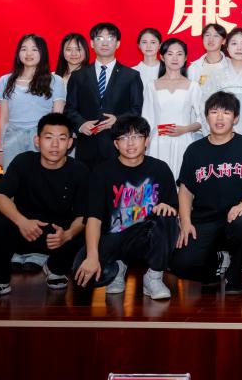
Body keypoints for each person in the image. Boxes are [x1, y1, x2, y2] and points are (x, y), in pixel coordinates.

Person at [0, 113, 89, 300]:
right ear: (37, 141)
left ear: (70, 143)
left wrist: (67, 235)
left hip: (56, 235)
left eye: (62, 138)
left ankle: (55, 268)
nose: (55, 144)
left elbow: (83, 215)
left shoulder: (79, 170)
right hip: (25, 229)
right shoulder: (23, 161)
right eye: (48, 137)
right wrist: (22, 222)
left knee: (87, 230)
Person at [71, 113, 179, 301]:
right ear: (115, 144)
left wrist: (168, 207)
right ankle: (118, 266)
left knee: (168, 217)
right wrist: (92, 256)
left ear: (146, 141)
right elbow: (93, 218)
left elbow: (174, 209)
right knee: (83, 275)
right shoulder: (102, 172)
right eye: (123, 138)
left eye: (136, 136)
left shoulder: (160, 169)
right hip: (114, 239)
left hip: (145, 238)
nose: (130, 143)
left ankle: (153, 277)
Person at [172, 91, 242, 294]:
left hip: (236, 219)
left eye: (226, 112)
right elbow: (185, 190)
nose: (220, 117)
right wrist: (185, 222)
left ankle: (235, 270)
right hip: (203, 221)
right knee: (181, 265)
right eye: (214, 112)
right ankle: (211, 263)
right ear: (207, 117)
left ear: (236, 118)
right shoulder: (194, 150)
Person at [65, 22, 144, 169]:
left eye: (110, 38)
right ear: (92, 43)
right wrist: (81, 124)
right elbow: (69, 109)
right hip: (87, 145)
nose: (105, 43)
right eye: (99, 38)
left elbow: (136, 109)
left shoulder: (131, 76)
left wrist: (118, 120)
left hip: (118, 146)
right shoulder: (78, 76)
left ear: (118, 44)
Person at [0, 34, 66, 170]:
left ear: (42, 53)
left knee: (41, 179)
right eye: (24, 49)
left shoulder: (55, 81)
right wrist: (1, 149)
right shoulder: (5, 81)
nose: (28, 53)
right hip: (13, 139)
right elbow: (3, 118)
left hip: (41, 138)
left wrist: (53, 145)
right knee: (14, 180)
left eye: (34, 49)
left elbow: (57, 118)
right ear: (18, 53)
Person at [142, 38, 201, 180]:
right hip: (158, 142)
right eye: (170, 54)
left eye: (179, 54)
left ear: (185, 58)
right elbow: (146, 118)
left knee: (182, 182)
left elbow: (202, 119)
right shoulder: (151, 85)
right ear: (162, 57)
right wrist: (145, 140)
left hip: (183, 140)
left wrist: (185, 129)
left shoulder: (193, 86)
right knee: (157, 182)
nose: (175, 58)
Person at [199, 28, 242, 146]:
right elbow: (204, 106)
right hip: (220, 135)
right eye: (234, 43)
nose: (239, 48)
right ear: (227, 48)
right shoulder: (216, 76)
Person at [186, 22, 228, 88]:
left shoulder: (230, 65)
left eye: (216, 36)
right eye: (207, 35)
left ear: (223, 41)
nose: (211, 39)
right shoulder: (194, 68)